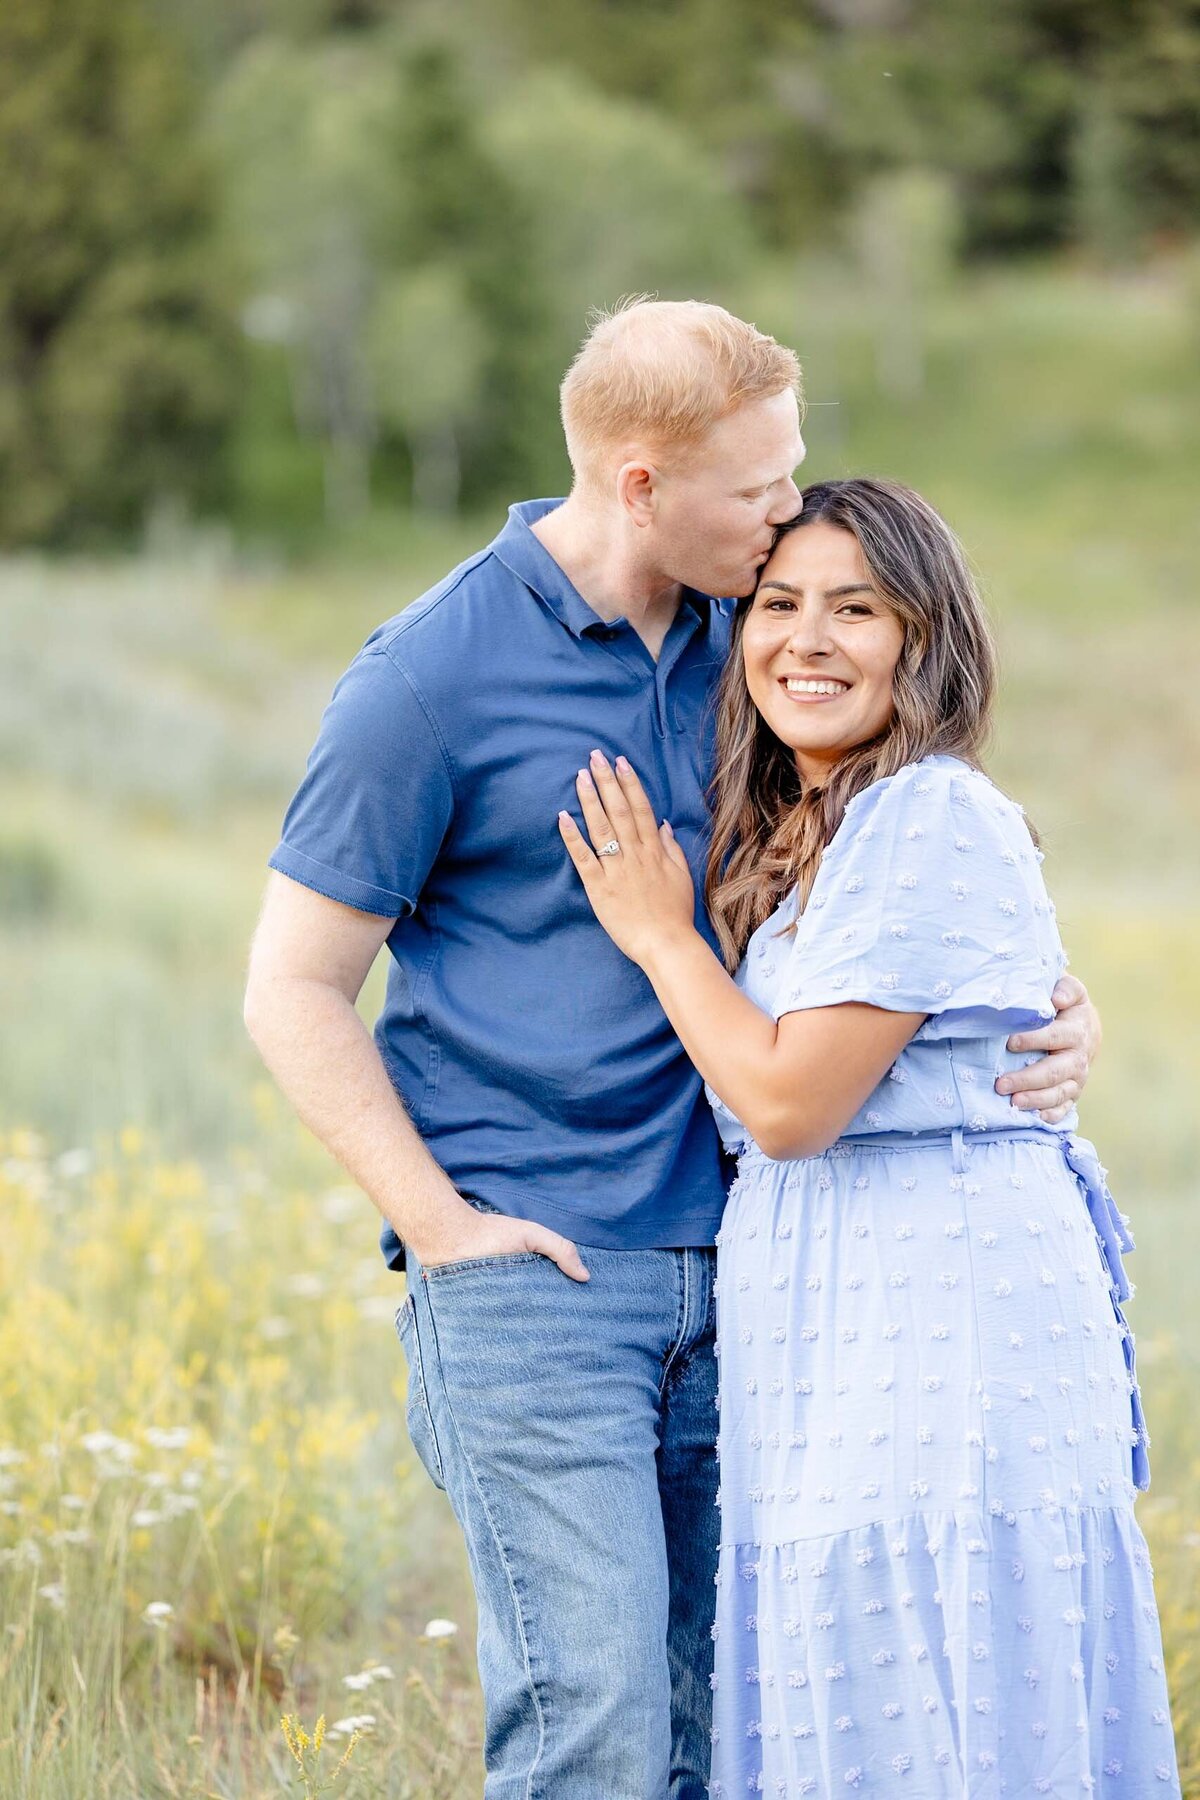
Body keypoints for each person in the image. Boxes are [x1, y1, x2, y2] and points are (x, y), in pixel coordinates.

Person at [243, 302, 1101, 1800]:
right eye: (761, 487)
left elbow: (895, 872)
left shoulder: (761, 641)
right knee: (600, 1717)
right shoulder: (429, 678)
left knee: (729, 1723)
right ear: (642, 484)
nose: (788, 517)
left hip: (768, 1271)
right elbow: (293, 989)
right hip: (541, 1277)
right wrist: (447, 1235)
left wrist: (1036, 1001)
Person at [559, 476, 1178, 1796]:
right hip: (841, 1313)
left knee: (934, 1688)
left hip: (935, 1312)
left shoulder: (925, 812)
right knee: (866, 1686)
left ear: (924, 637)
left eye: (857, 607)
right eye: (778, 605)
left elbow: (788, 1105)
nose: (809, 639)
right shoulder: (807, 838)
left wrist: (661, 937)